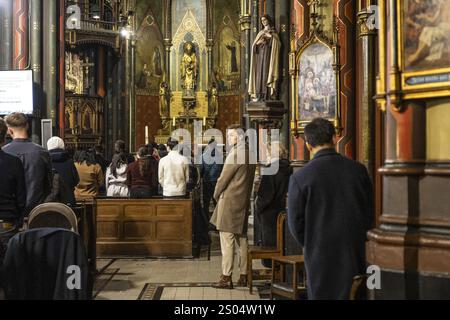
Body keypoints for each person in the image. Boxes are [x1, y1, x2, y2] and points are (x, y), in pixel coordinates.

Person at [287, 118, 374, 300]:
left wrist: (311, 241)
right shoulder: (358, 170)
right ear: (334, 138)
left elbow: (295, 222)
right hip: (355, 251)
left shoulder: (301, 177)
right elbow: (369, 211)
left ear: (308, 144)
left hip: (320, 254)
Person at [211, 125, 256, 289]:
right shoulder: (250, 153)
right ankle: (244, 275)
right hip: (242, 201)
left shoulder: (236, 153)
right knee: (242, 239)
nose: (229, 139)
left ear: (238, 136)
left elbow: (223, 179)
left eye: (230, 136)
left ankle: (226, 277)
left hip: (229, 201)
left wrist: (215, 195)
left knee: (227, 239)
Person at [2, 113, 52, 216]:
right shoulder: (42, 152)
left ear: (9, 130)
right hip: (36, 212)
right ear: (27, 126)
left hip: (12, 214)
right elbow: (48, 184)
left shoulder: (4, 153)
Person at [255, 141, 292, 268]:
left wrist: (258, 207)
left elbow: (265, 195)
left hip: (270, 213)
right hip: (283, 210)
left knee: (270, 246)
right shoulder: (289, 167)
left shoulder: (271, 169)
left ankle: (273, 271)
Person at [0, 118, 26, 250]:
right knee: (7, 267)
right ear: (5, 137)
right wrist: (19, 220)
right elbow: (21, 198)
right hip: (6, 223)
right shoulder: (14, 162)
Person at [248, 14, 281, 101]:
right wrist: (258, 42)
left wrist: (270, 36)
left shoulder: (273, 32)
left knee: (266, 73)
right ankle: (259, 94)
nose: (263, 22)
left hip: (268, 57)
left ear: (268, 20)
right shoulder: (260, 33)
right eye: (262, 21)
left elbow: (277, 44)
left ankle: (267, 95)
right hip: (260, 58)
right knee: (259, 75)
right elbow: (253, 46)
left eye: (265, 20)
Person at [47, 136, 80, 206]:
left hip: (50, 202)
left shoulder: (45, 162)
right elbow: (76, 180)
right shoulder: (69, 162)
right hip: (68, 200)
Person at [200, 139, 223, 220]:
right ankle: (217, 222)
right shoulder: (220, 156)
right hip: (217, 181)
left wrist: (202, 177)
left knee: (206, 203)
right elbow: (222, 169)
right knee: (216, 202)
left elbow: (201, 170)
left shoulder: (203, 156)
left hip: (206, 181)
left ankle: (206, 223)